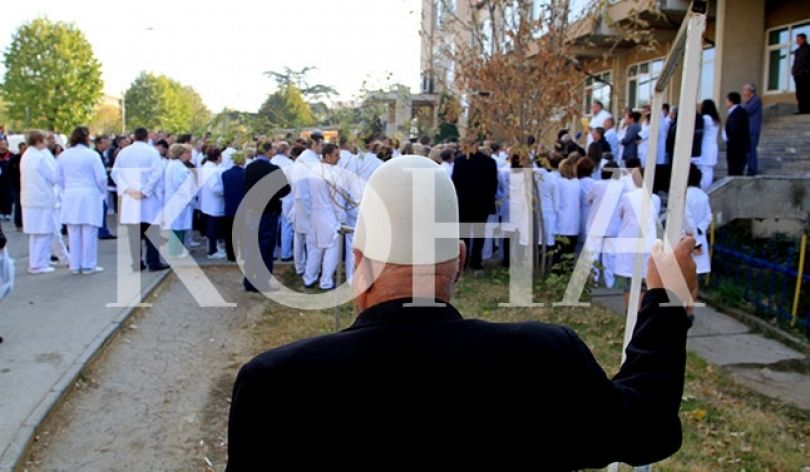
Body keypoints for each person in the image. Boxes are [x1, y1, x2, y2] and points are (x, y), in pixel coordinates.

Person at [226, 155, 698, 470]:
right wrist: (666, 303)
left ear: (358, 264)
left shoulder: (275, 385)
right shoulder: (541, 358)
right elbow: (649, 426)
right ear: (461, 262)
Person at [112, 127, 170, 272]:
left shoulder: (123, 153)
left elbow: (115, 173)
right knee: (152, 231)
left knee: (133, 233)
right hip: (149, 198)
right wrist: (145, 191)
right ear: (146, 137)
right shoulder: (152, 152)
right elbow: (157, 173)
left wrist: (127, 189)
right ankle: (153, 262)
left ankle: (137, 263)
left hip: (131, 198)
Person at [56, 126, 107, 274]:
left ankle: (74, 264)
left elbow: (57, 178)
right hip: (89, 194)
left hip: (71, 194)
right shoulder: (91, 155)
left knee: (73, 231)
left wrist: (67, 187)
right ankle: (88, 264)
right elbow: (101, 178)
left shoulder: (64, 156)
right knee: (89, 231)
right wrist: (102, 192)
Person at [242, 141, 290, 293]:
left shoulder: (249, 168)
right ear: (269, 151)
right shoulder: (273, 169)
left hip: (252, 210)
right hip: (268, 212)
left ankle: (249, 281)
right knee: (266, 247)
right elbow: (285, 189)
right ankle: (262, 281)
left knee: (251, 246)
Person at [615, 165, 661, 312]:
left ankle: (631, 313)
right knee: (645, 281)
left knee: (630, 282)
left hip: (630, 242)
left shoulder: (627, 197)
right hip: (648, 242)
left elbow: (620, 214)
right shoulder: (655, 199)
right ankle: (642, 311)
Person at [452, 140, 498, 270]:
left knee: (463, 234)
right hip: (482, 203)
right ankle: (476, 261)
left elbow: (455, 182)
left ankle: (463, 260)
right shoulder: (489, 162)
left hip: (464, 203)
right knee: (479, 234)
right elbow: (493, 185)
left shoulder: (460, 161)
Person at [307, 143, 344, 290]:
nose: (338, 158)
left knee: (316, 248)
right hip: (328, 214)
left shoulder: (313, 170)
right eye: (336, 155)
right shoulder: (331, 173)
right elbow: (337, 201)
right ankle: (326, 281)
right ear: (327, 156)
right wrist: (341, 218)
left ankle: (309, 278)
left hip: (315, 213)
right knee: (331, 248)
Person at [20, 130, 58, 274]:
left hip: (29, 199)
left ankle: (35, 262)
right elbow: (53, 176)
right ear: (39, 141)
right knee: (44, 233)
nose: (47, 142)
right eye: (44, 140)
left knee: (35, 234)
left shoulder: (27, 155)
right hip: (41, 199)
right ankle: (40, 263)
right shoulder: (40, 158)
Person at [163, 143, 196, 258]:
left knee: (179, 226)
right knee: (177, 227)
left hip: (178, 201)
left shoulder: (174, 165)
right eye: (186, 153)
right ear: (180, 154)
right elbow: (180, 184)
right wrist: (188, 196)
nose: (188, 155)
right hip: (179, 201)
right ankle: (175, 251)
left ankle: (177, 250)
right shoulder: (177, 166)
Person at [684, 164, 712, 276]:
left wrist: (696, 242)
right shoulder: (703, 195)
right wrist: (700, 228)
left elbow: (687, 219)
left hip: (687, 238)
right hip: (700, 235)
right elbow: (709, 216)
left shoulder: (685, 195)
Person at [269, 142, 295, 262]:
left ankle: (273, 253)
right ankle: (286, 253)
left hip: (273, 196)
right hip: (287, 196)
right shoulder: (290, 164)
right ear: (286, 151)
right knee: (287, 225)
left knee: (274, 225)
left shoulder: (271, 162)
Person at [200, 147, 226, 260]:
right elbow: (215, 187)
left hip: (208, 203)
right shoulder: (212, 170)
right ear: (218, 157)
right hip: (214, 203)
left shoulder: (208, 167)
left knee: (212, 227)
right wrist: (224, 191)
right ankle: (212, 251)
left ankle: (213, 248)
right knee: (213, 228)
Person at [222, 152, 247, 262]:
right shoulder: (245, 174)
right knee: (243, 234)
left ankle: (231, 255)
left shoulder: (225, 174)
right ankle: (243, 254)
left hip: (229, 207)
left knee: (229, 234)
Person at [556, 156, 581, 258]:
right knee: (570, 252)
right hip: (574, 223)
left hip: (561, 223)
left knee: (559, 254)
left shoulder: (559, 182)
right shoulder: (577, 183)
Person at [695, 99, 721, 190]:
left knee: (704, 170)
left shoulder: (706, 118)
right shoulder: (716, 119)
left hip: (705, 148)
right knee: (709, 170)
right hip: (712, 147)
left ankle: (704, 189)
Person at [94, 135, 116, 240]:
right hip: (98, 188)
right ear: (99, 143)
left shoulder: (102, 155)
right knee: (102, 208)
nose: (107, 144)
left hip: (101, 187)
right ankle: (102, 231)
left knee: (104, 208)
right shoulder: (96, 155)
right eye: (104, 142)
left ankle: (103, 230)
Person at [724, 92, 750, 176]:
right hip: (735, 147)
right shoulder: (736, 112)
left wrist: (728, 137)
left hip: (736, 148)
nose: (726, 103)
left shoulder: (738, 112)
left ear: (731, 101)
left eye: (727, 101)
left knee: (735, 171)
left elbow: (735, 130)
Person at [742, 84, 762, 175]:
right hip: (748, 130)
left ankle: (752, 169)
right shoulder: (748, 101)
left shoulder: (756, 100)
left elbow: (747, 111)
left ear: (750, 91)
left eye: (745, 90)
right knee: (748, 150)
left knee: (751, 150)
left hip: (752, 130)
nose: (744, 93)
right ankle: (749, 167)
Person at [793, 33, 809, 114]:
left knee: (807, 91)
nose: (797, 41)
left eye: (798, 39)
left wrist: (807, 71)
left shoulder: (809, 48)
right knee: (799, 93)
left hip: (806, 75)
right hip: (797, 75)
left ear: (804, 39)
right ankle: (801, 109)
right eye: (797, 39)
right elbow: (796, 62)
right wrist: (794, 72)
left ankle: (808, 109)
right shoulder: (797, 51)